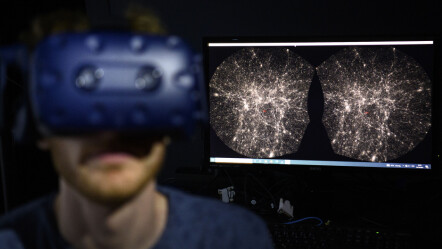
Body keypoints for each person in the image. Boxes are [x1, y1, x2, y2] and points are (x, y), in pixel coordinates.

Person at [0, 7, 274, 249]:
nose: (113, 128)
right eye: (81, 95)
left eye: (141, 90)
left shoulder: (236, 239)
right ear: (34, 118)